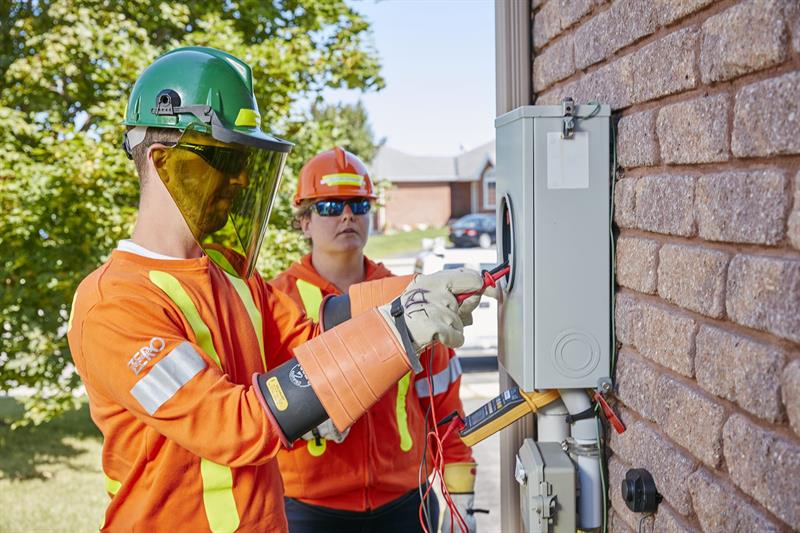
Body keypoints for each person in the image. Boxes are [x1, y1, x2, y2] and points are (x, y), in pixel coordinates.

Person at [66, 46, 489, 532]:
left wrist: (415, 293)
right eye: (228, 159)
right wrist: (400, 328)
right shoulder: (115, 304)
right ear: (165, 161)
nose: (242, 179)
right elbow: (232, 426)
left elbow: (318, 339)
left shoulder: (232, 277)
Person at [269, 148, 478, 533]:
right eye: (330, 206)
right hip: (308, 509)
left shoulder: (408, 296)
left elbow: (443, 403)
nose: (347, 215)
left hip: (405, 504)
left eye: (358, 205)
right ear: (304, 221)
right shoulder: (275, 302)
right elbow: (255, 415)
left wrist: (461, 495)